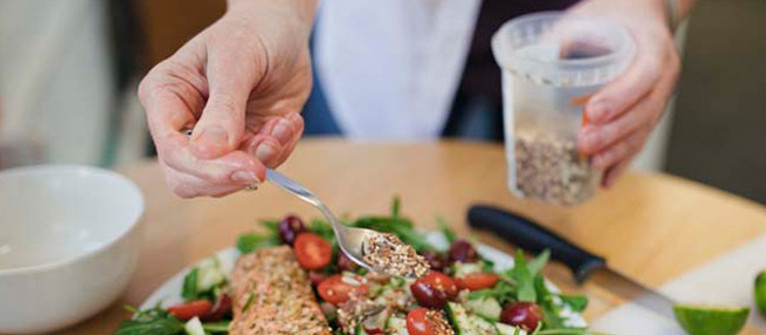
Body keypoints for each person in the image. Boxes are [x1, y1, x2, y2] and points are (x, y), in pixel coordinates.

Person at [139, 0, 697, 198]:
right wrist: (267, 12)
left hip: (566, 58)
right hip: (373, 57)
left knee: (545, 249)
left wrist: (651, 4)